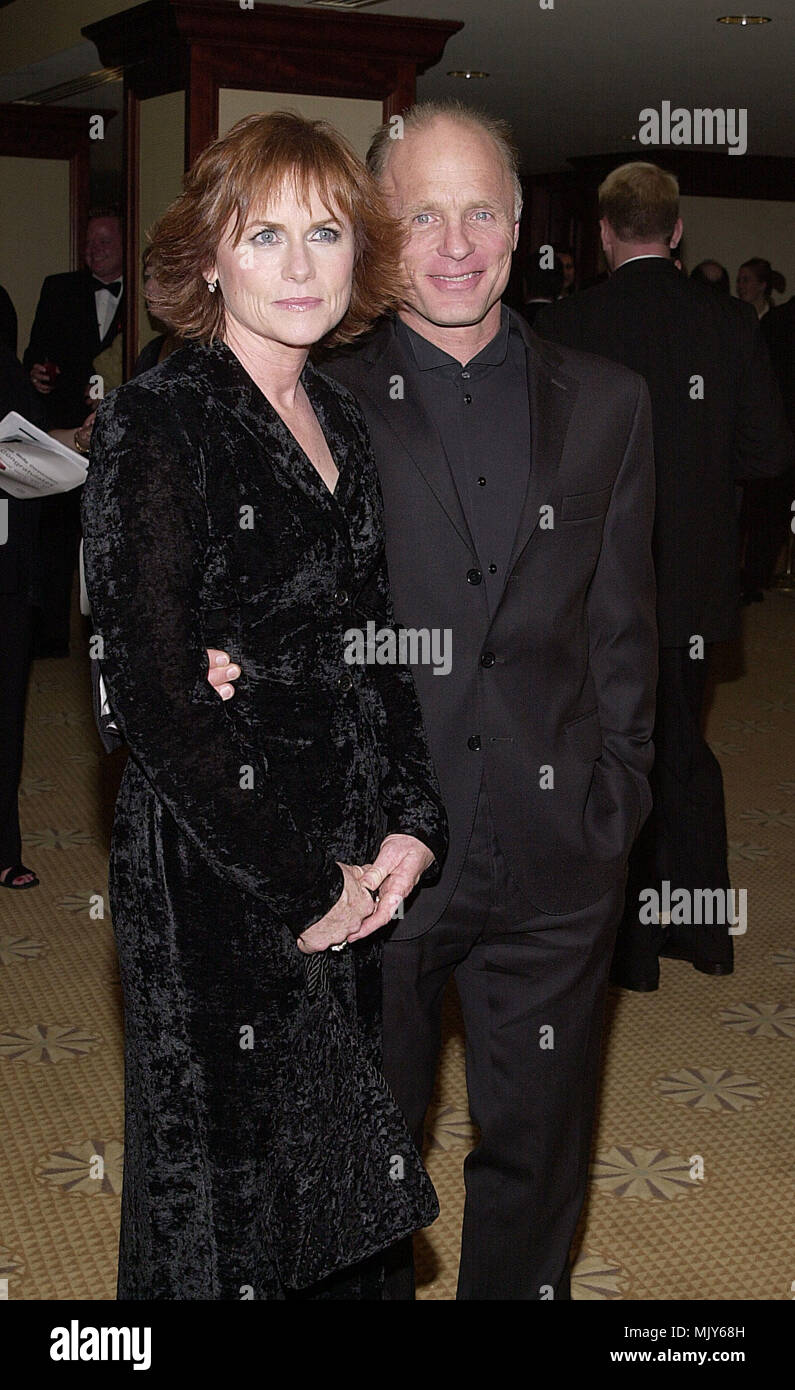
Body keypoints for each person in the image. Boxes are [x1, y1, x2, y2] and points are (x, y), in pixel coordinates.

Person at [202, 100, 658, 1300]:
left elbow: (626, 637)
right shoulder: (320, 395)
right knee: (365, 1156)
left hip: (562, 850)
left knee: (539, 1147)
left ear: (520, 227)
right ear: (380, 232)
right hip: (378, 863)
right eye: (421, 215)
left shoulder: (608, 402)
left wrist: (617, 802)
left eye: (481, 212)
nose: (455, 242)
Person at [82, 111, 447, 1301]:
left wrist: (408, 819)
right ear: (210, 258)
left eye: (326, 233)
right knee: (227, 1192)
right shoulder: (164, 415)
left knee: (338, 1174)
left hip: (343, 841)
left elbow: (377, 643)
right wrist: (308, 886)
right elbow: (153, 693)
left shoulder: (342, 420)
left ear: (359, 259)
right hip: (216, 863)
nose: (299, 266)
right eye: (266, 234)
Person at [536, 162, 792, 991]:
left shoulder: (569, 321)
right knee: (681, 746)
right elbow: (768, 453)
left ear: (605, 235)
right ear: (676, 232)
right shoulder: (726, 322)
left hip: (593, 583)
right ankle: (704, 936)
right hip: (689, 580)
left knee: (611, 753)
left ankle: (629, 953)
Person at [24, 209, 124, 658]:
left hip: (120, 433)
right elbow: (36, 354)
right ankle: (50, 637)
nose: (92, 251)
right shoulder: (59, 289)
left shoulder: (146, 295)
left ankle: (106, 638)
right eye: (88, 243)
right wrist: (37, 375)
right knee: (57, 536)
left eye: (103, 242)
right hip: (67, 432)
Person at [132, 248, 184, 376]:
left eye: (160, 276)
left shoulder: (208, 346)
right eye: (147, 276)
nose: (148, 286)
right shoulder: (152, 351)